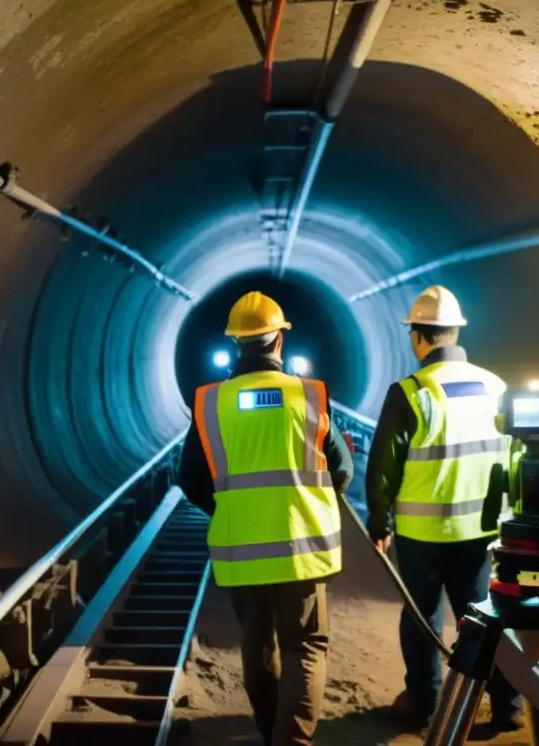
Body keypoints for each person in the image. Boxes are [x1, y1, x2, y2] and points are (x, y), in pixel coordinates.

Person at [178, 291, 354, 746]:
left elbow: (190, 479)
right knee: (305, 645)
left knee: (257, 646)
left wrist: (234, 509)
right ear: (279, 340)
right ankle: (291, 740)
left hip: (243, 550)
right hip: (303, 547)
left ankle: (268, 730)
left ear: (237, 343)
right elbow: (342, 470)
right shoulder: (308, 395)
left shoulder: (211, 403)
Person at [365, 285, 523, 734]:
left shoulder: (411, 392)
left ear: (418, 336)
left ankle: (423, 702)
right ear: (454, 333)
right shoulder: (495, 386)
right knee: (484, 617)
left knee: (421, 618)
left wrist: (380, 520)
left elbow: (382, 468)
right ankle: (506, 704)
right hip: (482, 531)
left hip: (422, 535)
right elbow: (515, 455)